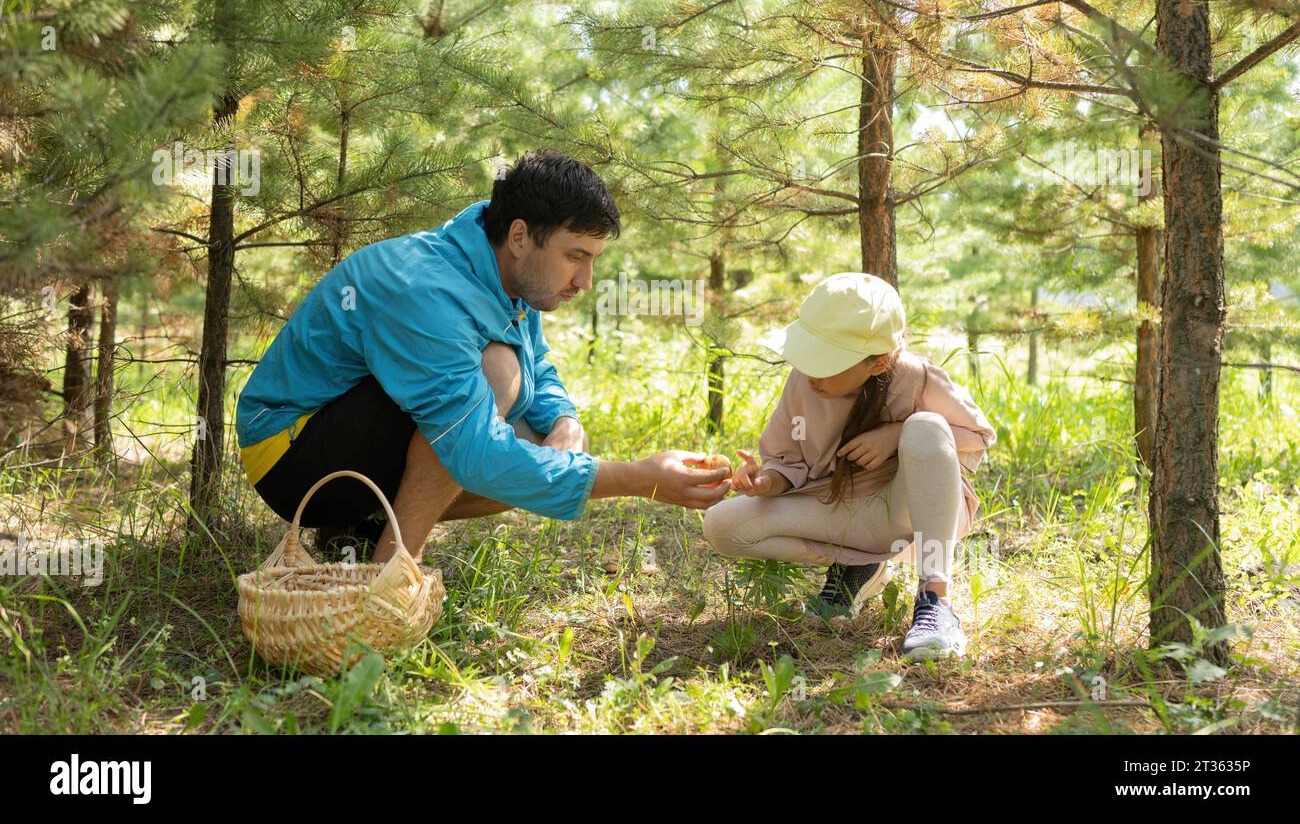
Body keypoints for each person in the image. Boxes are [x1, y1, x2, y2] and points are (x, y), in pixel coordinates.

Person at [235, 149, 731, 563]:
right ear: (519, 236)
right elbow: (475, 452)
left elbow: (539, 365)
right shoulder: (424, 288)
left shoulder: (509, 273)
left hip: (353, 448)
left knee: (534, 440)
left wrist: (563, 419)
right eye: (575, 256)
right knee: (492, 383)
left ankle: (362, 533)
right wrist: (639, 478)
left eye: (593, 260)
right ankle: (388, 578)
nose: (585, 282)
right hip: (289, 456)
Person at [701, 272, 997, 660]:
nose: (810, 373)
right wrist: (765, 482)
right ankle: (858, 565)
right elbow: (786, 464)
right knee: (722, 525)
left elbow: (977, 434)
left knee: (927, 426)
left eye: (826, 362)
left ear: (877, 362)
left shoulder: (914, 377)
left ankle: (934, 598)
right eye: (808, 355)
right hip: (844, 514)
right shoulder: (805, 383)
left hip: (910, 514)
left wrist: (896, 433)